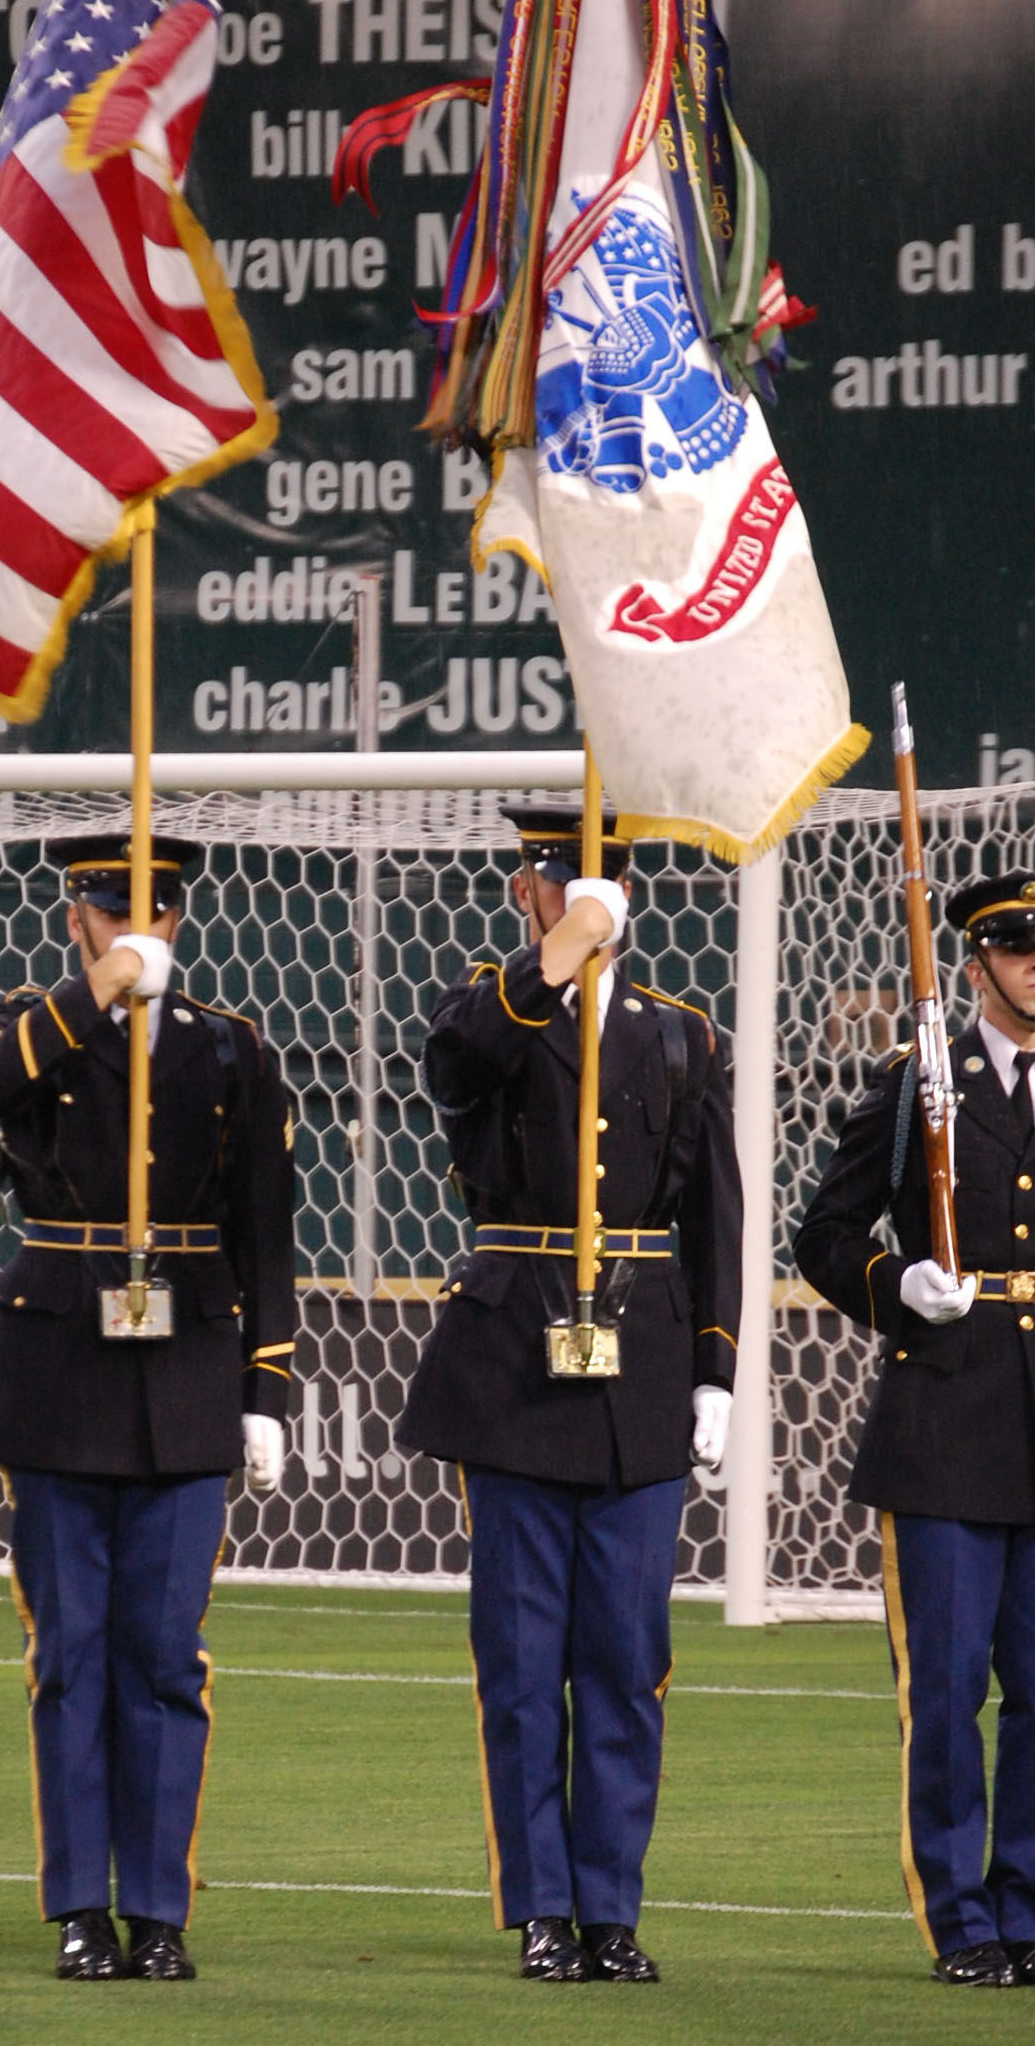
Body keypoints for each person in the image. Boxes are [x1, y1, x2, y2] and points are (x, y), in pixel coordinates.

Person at [795, 871, 1035, 1989]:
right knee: (947, 1687)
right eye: (1015, 949)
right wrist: (895, 1282)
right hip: (943, 1421)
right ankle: (961, 1923)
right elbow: (820, 1235)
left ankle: (1029, 1919)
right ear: (974, 965)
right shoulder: (918, 1086)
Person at [399, 801, 742, 1984]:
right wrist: (555, 955)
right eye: (557, 882)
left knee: (625, 1658)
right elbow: (452, 1067)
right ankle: (542, 1904)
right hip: (512, 1368)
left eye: (597, 886)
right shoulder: (490, 1011)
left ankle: (611, 1908)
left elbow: (716, 1216)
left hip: (639, 1365)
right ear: (525, 892)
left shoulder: (682, 1036)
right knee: (521, 1653)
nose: (581, 900)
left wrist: (715, 1370)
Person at [0, 829, 295, 1983]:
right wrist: (95, 994)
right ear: (76, 918)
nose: (133, 928)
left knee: (163, 1653)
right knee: (70, 1654)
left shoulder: (229, 1051)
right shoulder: (32, 1024)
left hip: (188, 1369)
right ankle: (76, 1908)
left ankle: (156, 1906)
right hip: (60, 1376)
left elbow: (266, 1231)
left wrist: (267, 1387)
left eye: (151, 911)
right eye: (110, 912)